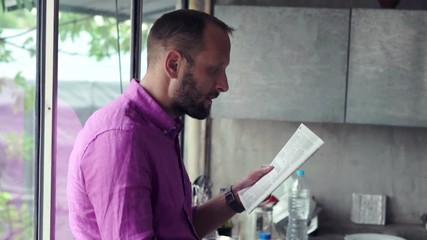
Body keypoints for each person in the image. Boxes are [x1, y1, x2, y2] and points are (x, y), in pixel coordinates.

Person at [67, 9, 273, 239]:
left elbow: (176, 227)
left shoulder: (159, 130)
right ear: (174, 64)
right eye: (214, 70)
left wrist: (236, 197)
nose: (224, 85)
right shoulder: (122, 139)